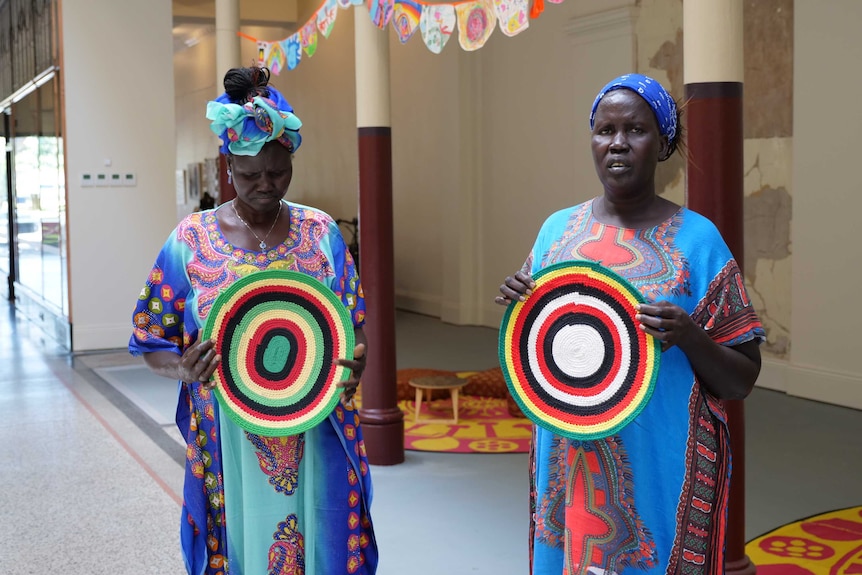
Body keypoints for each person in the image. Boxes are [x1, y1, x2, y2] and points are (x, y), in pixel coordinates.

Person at [496, 73, 764, 575]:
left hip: (661, 463)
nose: (617, 143)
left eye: (635, 130)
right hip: (569, 460)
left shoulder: (698, 241)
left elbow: (742, 377)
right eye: (604, 130)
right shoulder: (557, 231)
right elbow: (540, 353)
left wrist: (689, 334)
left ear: (663, 143)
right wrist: (520, 306)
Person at [130, 66, 377, 575]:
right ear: (228, 164)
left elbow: (354, 326)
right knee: (239, 543)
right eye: (249, 174)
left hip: (317, 430)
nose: (266, 185)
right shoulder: (190, 240)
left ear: (291, 158)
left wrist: (357, 360)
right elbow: (148, 338)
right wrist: (183, 368)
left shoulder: (321, 231)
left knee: (323, 540)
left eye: (279, 171)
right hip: (230, 434)